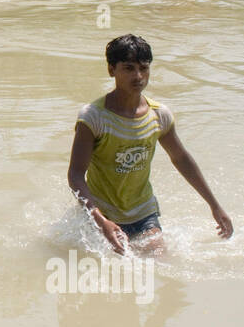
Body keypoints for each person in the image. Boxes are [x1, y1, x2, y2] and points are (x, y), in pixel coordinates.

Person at [66, 34, 233, 255]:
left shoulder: (159, 115)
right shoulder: (93, 117)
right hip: (102, 213)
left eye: (144, 68)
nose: (138, 76)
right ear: (111, 70)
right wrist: (99, 219)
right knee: (109, 271)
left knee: (158, 261)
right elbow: (76, 175)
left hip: (143, 213)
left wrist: (214, 205)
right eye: (129, 68)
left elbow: (181, 159)